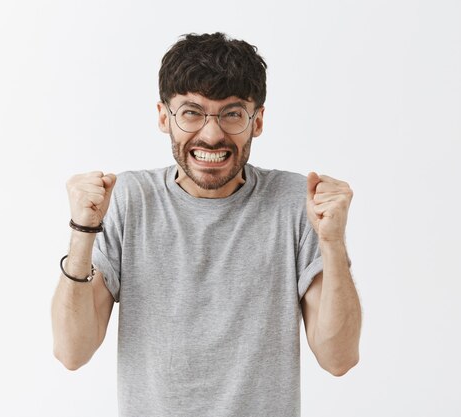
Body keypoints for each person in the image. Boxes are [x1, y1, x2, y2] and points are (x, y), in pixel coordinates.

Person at [51, 32, 361, 417]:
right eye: (192, 112)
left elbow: (339, 358)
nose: (212, 135)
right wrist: (82, 232)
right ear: (164, 117)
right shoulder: (128, 199)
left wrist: (332, 242)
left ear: (258, 120)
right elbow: (72, 351)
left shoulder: (296, 203)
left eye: (232, 113)